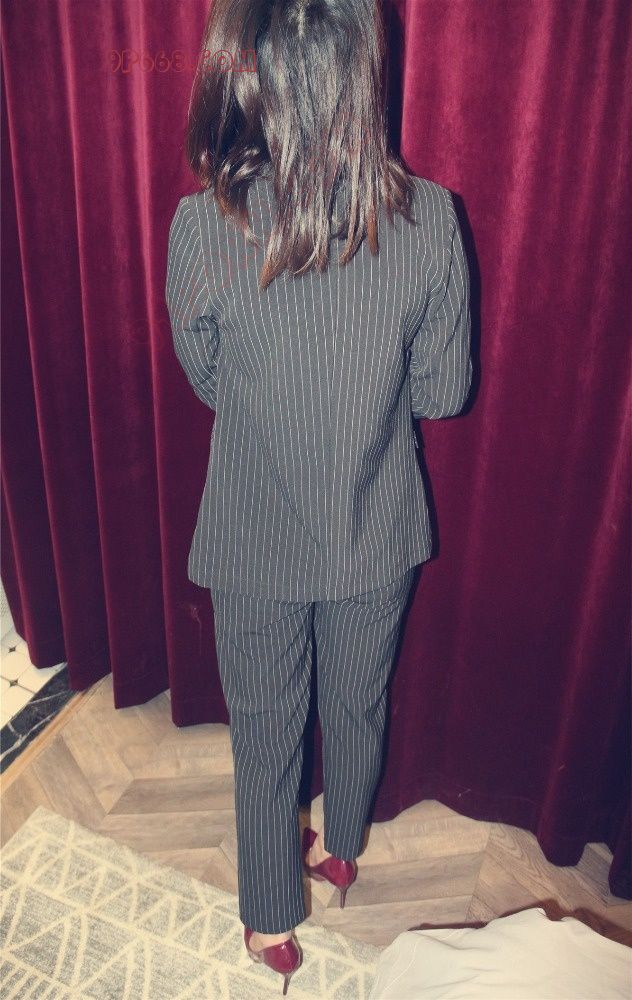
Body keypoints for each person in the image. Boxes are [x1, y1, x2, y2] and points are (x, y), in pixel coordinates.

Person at [166, 0, 472, 992]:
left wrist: (281, 404)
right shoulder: (431, 220)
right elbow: (444, 391)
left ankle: (269, 923)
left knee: (263, 731)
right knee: (357, 700)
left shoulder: (199, 225)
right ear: (364, 71)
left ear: (247, 75)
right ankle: (341, 849)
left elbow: (207, 377)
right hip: (375, 528)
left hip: (250, 530)